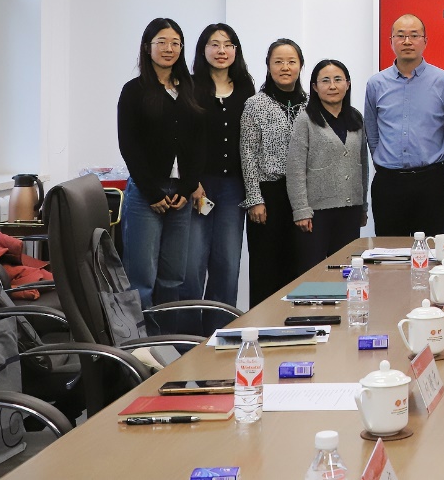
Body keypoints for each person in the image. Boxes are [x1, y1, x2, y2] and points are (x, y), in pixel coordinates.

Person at [116, 18, 202, 309]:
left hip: (181, 195)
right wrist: (152, 192)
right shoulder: (134, 91)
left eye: (175, 43)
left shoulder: (190, 89)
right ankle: (142, 339)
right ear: (147, 47)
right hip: (145, 194)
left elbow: (200, 143)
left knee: (173, 278)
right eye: (161, 42)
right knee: (142, 280)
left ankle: (169, 338)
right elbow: (128, 146)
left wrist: (188, 186)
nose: (169, 48)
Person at [184, 23, 255, 314]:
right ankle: (188, 336)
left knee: (227, 264)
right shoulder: (188, 87)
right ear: (203, 50)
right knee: (192, 264)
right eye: (214, 44)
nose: (221, 50)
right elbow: (182, 140)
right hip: (197, 187)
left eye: (227, 45)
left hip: (233, 187)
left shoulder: (246, 88)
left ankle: (220, 331)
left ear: (236, 50)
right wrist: (191, 181)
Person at [364, 14, 444, 237]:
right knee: (389, 250)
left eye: (414, 36)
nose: (407, 42)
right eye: (401, 36)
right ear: (391, 41)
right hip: (389, 183)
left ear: (425, 41)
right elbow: (372, 131)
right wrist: (384, 162)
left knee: (431, 249)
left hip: (432, 181)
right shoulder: (376, 84)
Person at [240, 38, 307, 304]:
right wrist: (254, 199)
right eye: (278, 62)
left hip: (301, 196)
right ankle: (264, 324)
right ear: (268, 65)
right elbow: (247, 154)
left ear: (300, 65)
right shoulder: (255, 104)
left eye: (291, 61)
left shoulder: (310, 105)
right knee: (266, 269)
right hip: (268, 195)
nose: (285, 67)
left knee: (299, 266)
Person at [287, 59, 369, 270]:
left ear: (347, 84)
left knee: (346, 271)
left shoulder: (356, 117)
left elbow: (362, 164)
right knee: (313, 272)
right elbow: (295, 168)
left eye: (338, 80)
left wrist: (363, 206)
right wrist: (301, 210)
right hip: (316, 213)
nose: (332, 86)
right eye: (325, 81)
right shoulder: (305, 120)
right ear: (315, 87)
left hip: (350, 209)